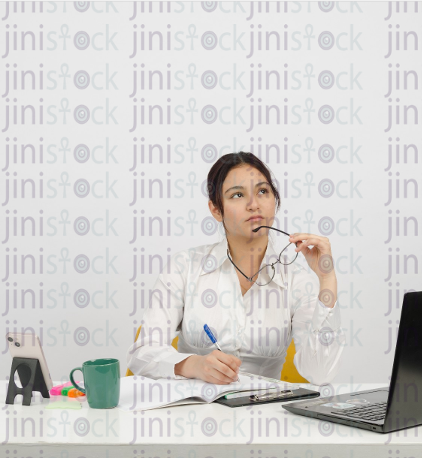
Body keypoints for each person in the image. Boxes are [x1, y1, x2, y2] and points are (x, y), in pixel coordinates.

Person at [126, 152, 343, 386]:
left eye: (262, 191)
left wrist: (327, 279)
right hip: (195, 413)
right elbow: (142, 352)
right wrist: (193, 365)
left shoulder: (297, 281)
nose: (254, 204)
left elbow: (320, 374)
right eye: (237, 195)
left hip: (265, 415)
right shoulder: (184, 267)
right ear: (216, 210)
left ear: (275, 201)